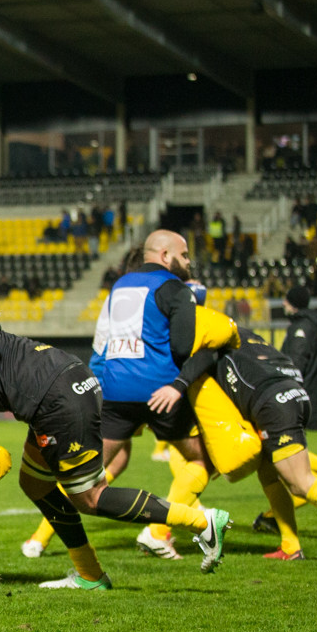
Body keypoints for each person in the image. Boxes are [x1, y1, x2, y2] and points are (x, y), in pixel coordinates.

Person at [0, 303, 231, 588]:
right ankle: (90, 574)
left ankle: (203, 522)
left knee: (91, 497)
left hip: (57, 397)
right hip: (54, 390)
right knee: (34, 483)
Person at [95, 230, 232, 568]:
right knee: (205, 460)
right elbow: (184, 346)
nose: (188, 262)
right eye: (184, 256)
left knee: (89, 472)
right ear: (166, 255)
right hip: (161, 391)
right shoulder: (175, 288)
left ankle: (60, 545)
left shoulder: (120, 285)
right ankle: (180, 524)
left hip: (116, 391)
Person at [171, 327, 317, 560]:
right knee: (268, 475)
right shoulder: (248, 337)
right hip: (291, 395)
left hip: (273, 403)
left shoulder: (211, 348)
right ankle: (291, 547)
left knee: (301, 483)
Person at [281, 286, 317, 430]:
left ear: (294, 303)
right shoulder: (307, 324)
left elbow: (296, 364)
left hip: (301, 399)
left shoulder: (302, 328)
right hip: (307, 395)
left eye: (287, 300)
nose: (283, 303)